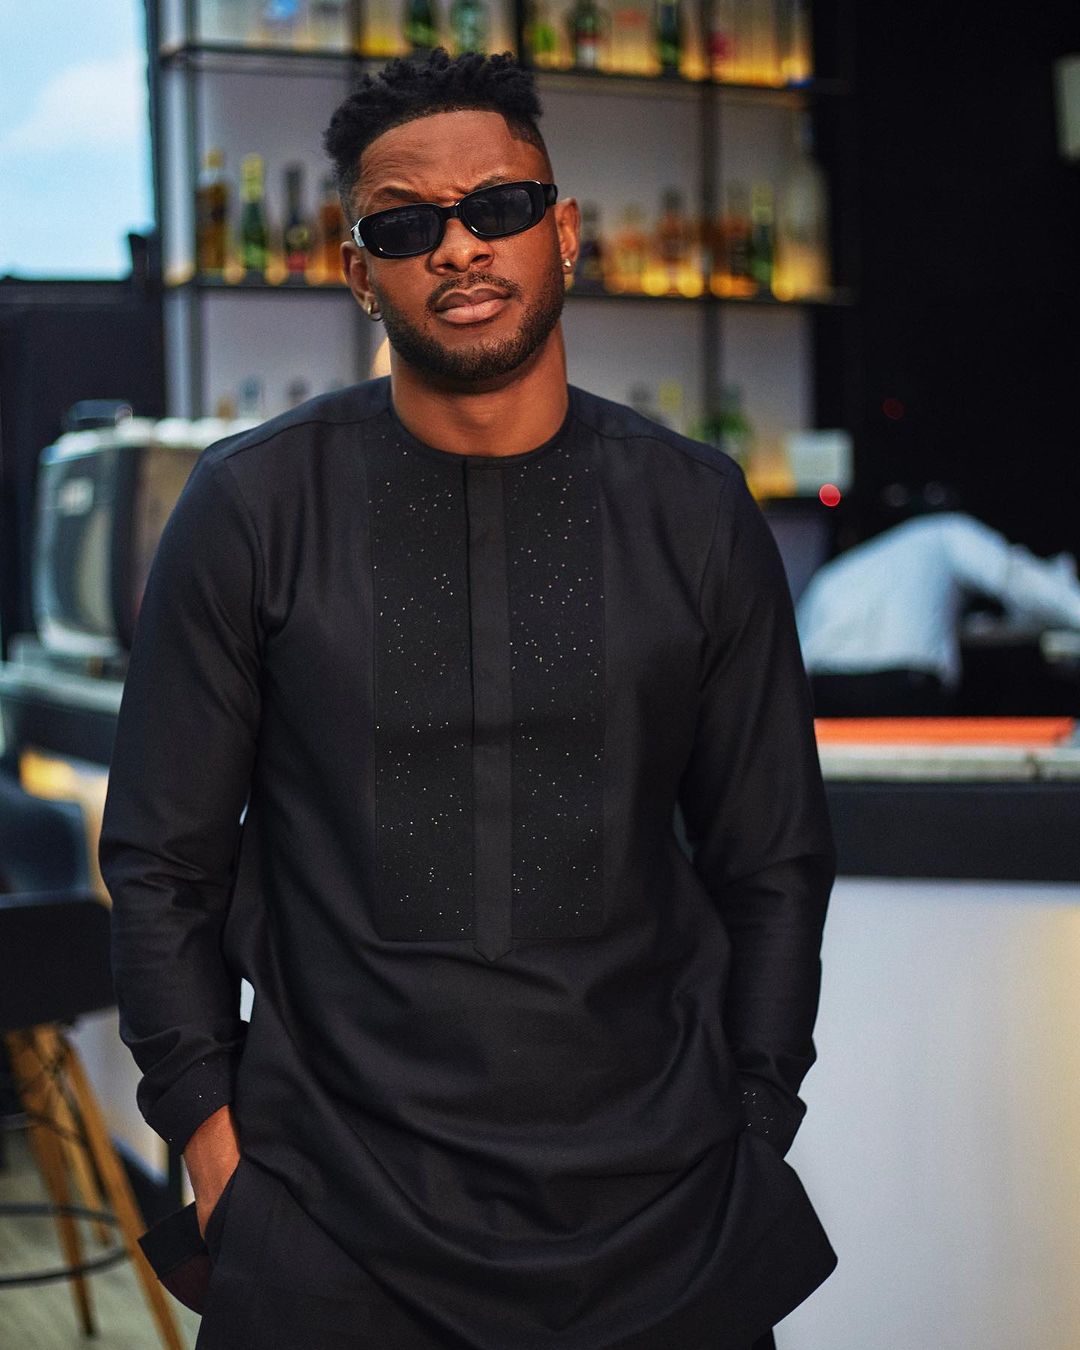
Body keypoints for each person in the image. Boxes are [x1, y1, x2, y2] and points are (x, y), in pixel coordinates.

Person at [100, 49, 836, 1350]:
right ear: (358, 271)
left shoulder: (692, 507)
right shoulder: (254, 507)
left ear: (565, 232)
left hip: (662, 1208)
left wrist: (758, 1114)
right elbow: (161, 862)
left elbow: (771, 854)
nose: (459, 246)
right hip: (329, 1212)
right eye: (406, 225)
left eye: (498, 206)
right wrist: (210, 1143)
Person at [797, 511, 1080, 716]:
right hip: (903, 688)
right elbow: (1016, 578)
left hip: (824, 691)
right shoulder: (947, 533)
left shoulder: (846, 569)